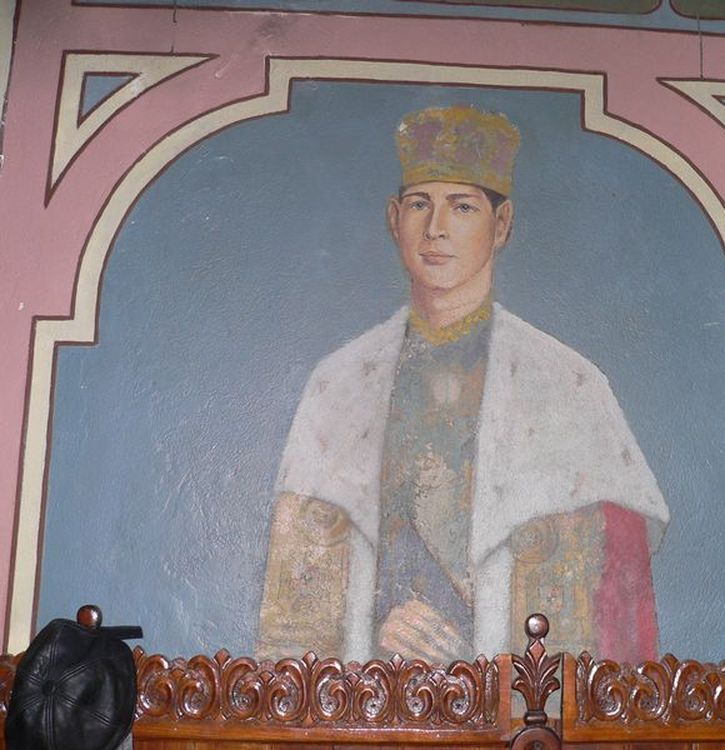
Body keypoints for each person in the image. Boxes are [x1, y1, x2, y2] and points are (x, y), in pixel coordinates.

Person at [257, 104, 669, 664]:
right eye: (419, 204)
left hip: (519, 701)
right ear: (394, 219)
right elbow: (297, 610)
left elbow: (613, 608)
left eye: (463, 206)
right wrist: (379, 632)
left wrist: (475, 659)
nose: (436, 229)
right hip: (370, 695)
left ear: (501, 225)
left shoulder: (569, 387)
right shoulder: (338, 384)